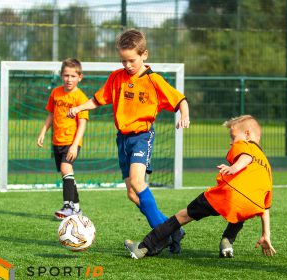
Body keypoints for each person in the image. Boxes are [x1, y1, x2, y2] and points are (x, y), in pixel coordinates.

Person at [67, 29, 189, 254]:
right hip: (122, 139)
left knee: (137, 181)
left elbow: (180, 99)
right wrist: (78, 108)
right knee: (132, 193)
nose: (127, 65)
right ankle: (173, 230)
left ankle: (158, 236)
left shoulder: (154, 80)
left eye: (131, 60)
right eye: (123, 60)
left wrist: (184, 114)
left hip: (142, 136)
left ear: (144, 55)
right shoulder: (117, 77)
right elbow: (97, 100)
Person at [124, 115, 276, 260]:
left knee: (183, 216)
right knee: (240, 213)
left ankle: (143, 247)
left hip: (225, 195)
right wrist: (265, 234)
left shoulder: (244, 145)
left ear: (247, 134)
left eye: (233, 137)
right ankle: (227, 242)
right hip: (251, 205)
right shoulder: (267, 166)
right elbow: (265, 207)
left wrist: (234, 168)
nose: (231, 142)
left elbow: (246, 157)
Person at [37, 58, 88, 220]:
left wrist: (75, 145)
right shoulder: (56, 93)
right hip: (56, 141)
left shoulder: (80, 98)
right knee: (67, 174)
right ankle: (77, 207)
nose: (69, 79)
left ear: (80, 77)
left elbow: (82, 123)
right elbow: (51, 115)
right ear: (61, 76)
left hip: (71, 142)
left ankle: (68, 206)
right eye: (66, 75)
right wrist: (43, 132)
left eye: (73, 76)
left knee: (66, 168)